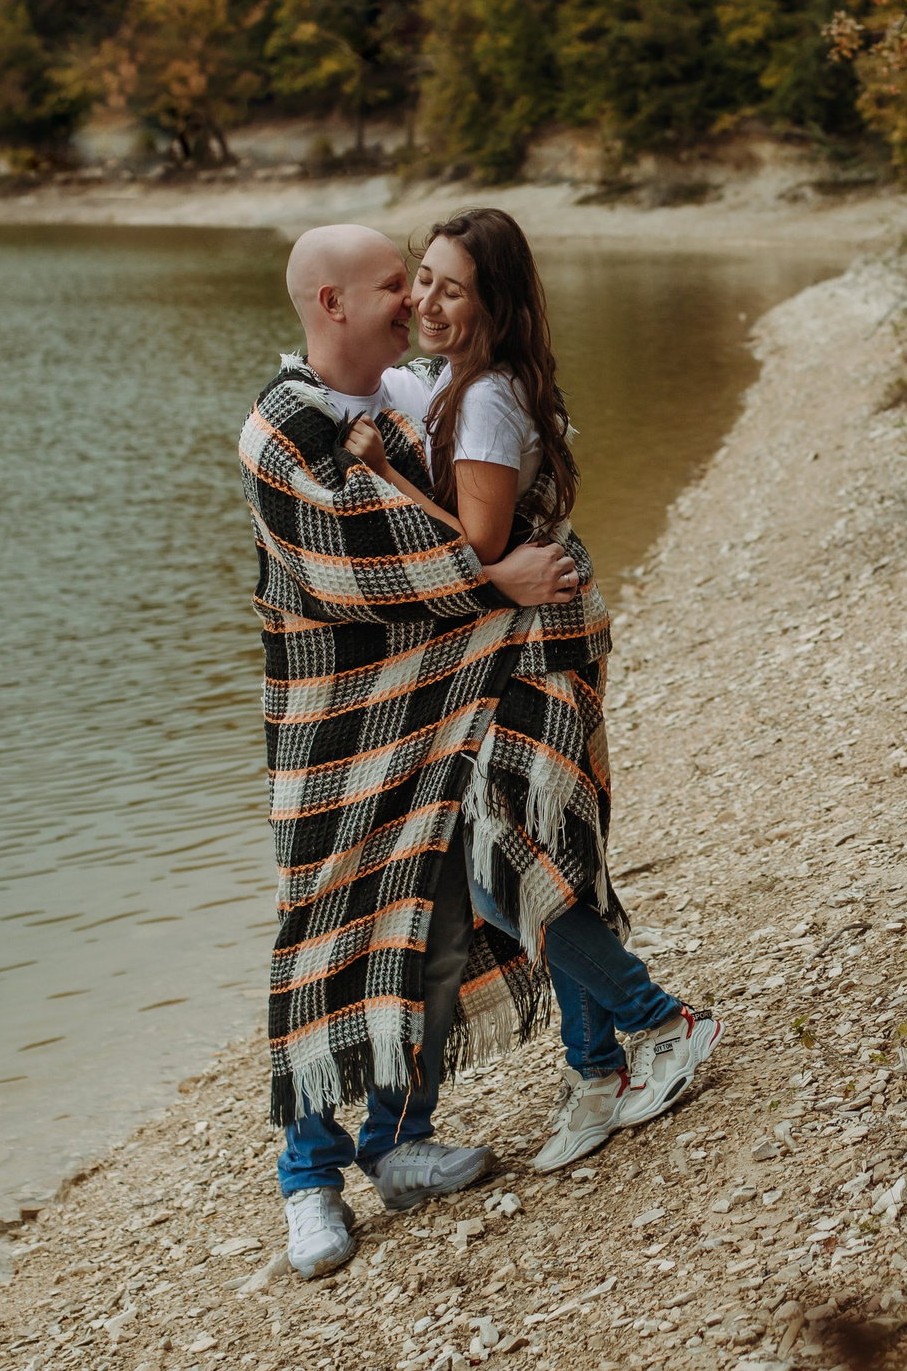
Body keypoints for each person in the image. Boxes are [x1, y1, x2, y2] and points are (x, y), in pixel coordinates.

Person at [239, 223, 590, 1283]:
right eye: (395, 284)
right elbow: (360, 566)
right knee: (326, 935)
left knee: (432, 932)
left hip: (431, 719)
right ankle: (309, 1180)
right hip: (332, 728)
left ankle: (399, 1137)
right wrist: (501, 581)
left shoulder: (404, 396)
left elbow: (462, 510)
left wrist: (510, 565)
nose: (414, 300)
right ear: (332, 303)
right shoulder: (278, 427)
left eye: (418, 280)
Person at [389, 206, 721, 1178]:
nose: (426, 299)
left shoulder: (486, 399)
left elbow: (477, 548)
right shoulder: (458, 383)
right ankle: (594, 1069)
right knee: (551, 856)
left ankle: (662, 1020)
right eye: (421, 277)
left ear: (490, 302)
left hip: (530, 647)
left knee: (506, 867)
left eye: (451, 286)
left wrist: (377, 476)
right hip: (523, 643)